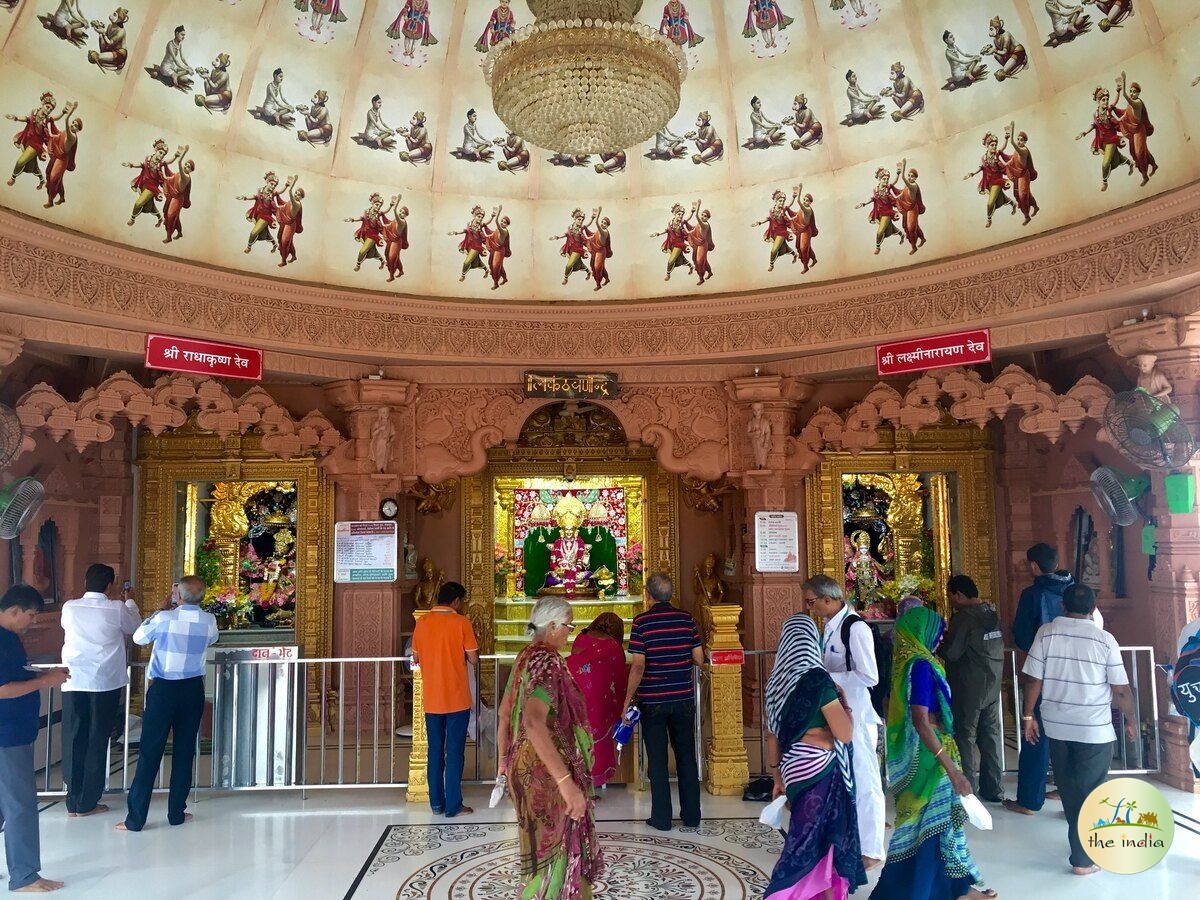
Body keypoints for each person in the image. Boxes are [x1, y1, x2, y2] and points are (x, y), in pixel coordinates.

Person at [871, 607, 995, 899]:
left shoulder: (902, 666)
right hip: (931, 757)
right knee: (935, 826)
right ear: (923, 633)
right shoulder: (922, 666)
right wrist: (952, 770)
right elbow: (920, 719)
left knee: (930, 826)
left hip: (920, 755)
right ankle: (931, 891)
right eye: (938, 631)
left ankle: (954, 887)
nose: (940, 638)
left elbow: (893, 709)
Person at [1021, 584, 1136, 876]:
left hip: (1058, 726)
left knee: (1071, 788)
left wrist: (1027, 715)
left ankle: (1081, 845)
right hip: (1094, 729)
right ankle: (1083, 858)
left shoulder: (1046, 633)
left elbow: (1033, 679)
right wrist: (1133, 720)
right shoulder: (1104, 639)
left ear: (1062, 606)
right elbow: (1120, 689)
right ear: (1093, 608)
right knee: (1091, 791)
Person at [497, 596, 604, 899]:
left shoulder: (524, 657)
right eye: (569, 626)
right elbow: (532, 721)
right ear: (553, 625)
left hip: (523, 767)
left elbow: (506, 713)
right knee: (558, 854)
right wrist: (565, 783)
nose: (570, 633)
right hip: (545, 772)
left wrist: (504, 761)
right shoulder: (549, 661)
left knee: (538, 853)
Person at [764, 612, 867, 900]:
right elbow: (844, 734)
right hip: (821, 766)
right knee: (821, 838)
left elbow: (772, 734)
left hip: (793, 768)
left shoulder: (775, 682)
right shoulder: (818, 681)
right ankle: (787, 893)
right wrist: (847, 709)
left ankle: (812, 894)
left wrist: (777, 774)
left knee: (803, 835)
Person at [118, 576, 217, 833]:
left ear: (178, 596)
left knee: (150, 752)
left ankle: (136, 819)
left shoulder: (164, 619)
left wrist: (161, 609)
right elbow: (212, 639)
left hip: (163, 690)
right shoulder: (209, 621)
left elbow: (139, 638)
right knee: (184, 752)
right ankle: (176, 813)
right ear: (203, 597)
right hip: (193, 689)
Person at [803, 574, 885, 869]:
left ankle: (873, 850)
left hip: (858, 716)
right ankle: (850, 841)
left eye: (812, 602)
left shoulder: (855, 628)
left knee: (865, 780)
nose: (810, 607)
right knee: (844, 778)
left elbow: (869, 676)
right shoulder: (829, 627)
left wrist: (826, 678)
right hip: (839, 713)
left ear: (829, 599)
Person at [0, 585, 69, 893]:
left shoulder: (10, 639)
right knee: (20, 805)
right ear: (14, 611)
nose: (31, 622)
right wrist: (45, 681)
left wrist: (39, 675)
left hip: (12, 730)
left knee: (5, 806)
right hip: (7, 734)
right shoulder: (2, 641)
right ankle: (25, 876)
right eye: (29, 616)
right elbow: (2, 689)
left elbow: (14, 676)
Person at [622, 573, 703, 830]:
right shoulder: (686, 619)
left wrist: (626, 700)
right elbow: (699, 658)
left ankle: (662, 818)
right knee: (686, 756)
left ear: (648, 595)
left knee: (657, 759)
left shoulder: (642, 622)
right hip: (682, 697)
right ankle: (692, 816)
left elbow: (638, 665)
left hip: (653, 700)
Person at [60, 563, 141, 818]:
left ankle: (73, 800)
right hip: (104, 682)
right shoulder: (116, 608)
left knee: (74, 738)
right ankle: (88, 800)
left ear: (85, 581)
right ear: (110, 585)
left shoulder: (70, 607)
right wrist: (130, 602)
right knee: (97, 739)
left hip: (74, 679)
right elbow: (134, 628)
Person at [1005, 543, 1072, 817]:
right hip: (1076, 675)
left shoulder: (1033, 594)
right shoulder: (1075, 589)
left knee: (1036, 734)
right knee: (1071, 736)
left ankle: (1030, 801)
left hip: (1043, 672)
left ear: (1034, 565)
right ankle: (1070, 795)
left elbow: (1021, 635)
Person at [411, 581, 478, 817]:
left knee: (435, 751)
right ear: (456, 601)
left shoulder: (423, 623)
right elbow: (473, 658)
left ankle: (436, 803)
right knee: (455, 751)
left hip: (432, 698)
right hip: (457, 698)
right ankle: (454, 805)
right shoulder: (461, 622)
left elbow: (415, 658)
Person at [940, 575, 1004, 803]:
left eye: (951, 597)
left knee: (965, 735)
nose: (952, 602)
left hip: (969, 684)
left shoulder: (964, 618)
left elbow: (952, 653)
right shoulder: (991, 613)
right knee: (990, 735)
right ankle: (994, 788)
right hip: (993, 682)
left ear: (958, 594)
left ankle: (968, 791)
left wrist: (939, 642)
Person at [567, 613, 629, 789]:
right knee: (597, 739)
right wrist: (623, 703)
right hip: (599, 696)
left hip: (576, 692)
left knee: (578, 735)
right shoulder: (613, 645)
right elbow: (620, 677)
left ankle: (576, 780)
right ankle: (590, 784)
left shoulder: (581, 637)